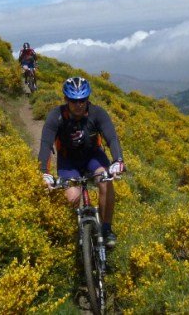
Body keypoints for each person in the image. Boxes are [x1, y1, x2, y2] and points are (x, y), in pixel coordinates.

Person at [39, 77, 125, 247]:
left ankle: (106, 229)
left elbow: (111, 138)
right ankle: (74, 232)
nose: (78, 104)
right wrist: (44, 171)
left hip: (93, 156)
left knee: (105, 182)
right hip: (68, 160)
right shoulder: (56, 116)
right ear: (66, 99)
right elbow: (46, 144)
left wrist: (118, 160)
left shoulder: (97, 113)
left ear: (88, 98)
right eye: (73, 100)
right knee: (72, 196)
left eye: (82, 100)